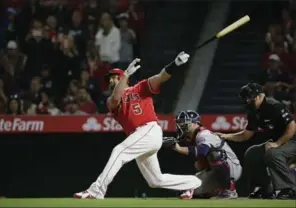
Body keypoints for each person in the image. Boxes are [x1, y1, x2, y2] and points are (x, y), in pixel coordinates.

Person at [74, 52, 202, 199]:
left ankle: (96, 190)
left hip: (149, 130)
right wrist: (126, 74)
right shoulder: (111, 101)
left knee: (119, 151)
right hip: (140, 137)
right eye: (110, 79)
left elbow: (160, 78)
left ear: (124, 80)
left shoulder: (140, 88)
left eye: (115, 77)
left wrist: (175, 64)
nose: (112, 81)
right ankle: (194, 182)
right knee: (155, 180)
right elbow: (116, 98)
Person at [218, 83, 296, 199]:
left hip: (292, 140)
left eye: (249, 98)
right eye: (245, 99)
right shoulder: (253, 112)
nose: (247, 101)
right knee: (252, 153)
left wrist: (277, 144)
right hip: (277, 141)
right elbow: (246, 135)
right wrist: (225, 136)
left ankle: (289, 189)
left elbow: (292, 127)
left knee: (273, 153)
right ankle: (265, 188)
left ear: (259, 96)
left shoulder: (274, 106)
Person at [164, 110, 241, 199]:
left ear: (194, 123)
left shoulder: (204, 134)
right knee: (187, 188)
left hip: (232, 168)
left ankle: (230, 191)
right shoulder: (191, 137)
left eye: (182, 122)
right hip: (215, 172)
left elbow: (201, 151)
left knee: (215, 155)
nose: (180, 125)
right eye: (179, 122)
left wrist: (178, 148)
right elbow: (200, 165)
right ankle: (215, 191)